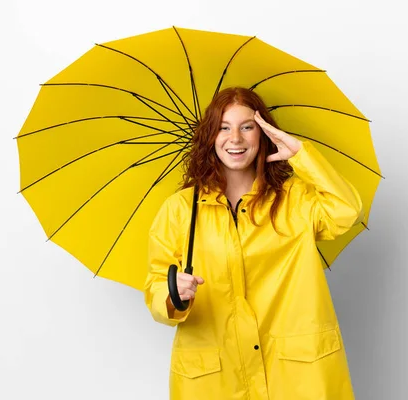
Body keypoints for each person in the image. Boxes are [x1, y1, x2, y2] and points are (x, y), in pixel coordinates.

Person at [143, 87, 364, 400]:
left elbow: (347, 211)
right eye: (223, 127)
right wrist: (173, 294)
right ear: (210, 137)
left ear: (263, 134)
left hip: (295, 374)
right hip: (215, 379)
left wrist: (301, 154)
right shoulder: (180, 210)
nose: (235, 138)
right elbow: (156, 285)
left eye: (247, 127)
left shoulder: (295, 199)